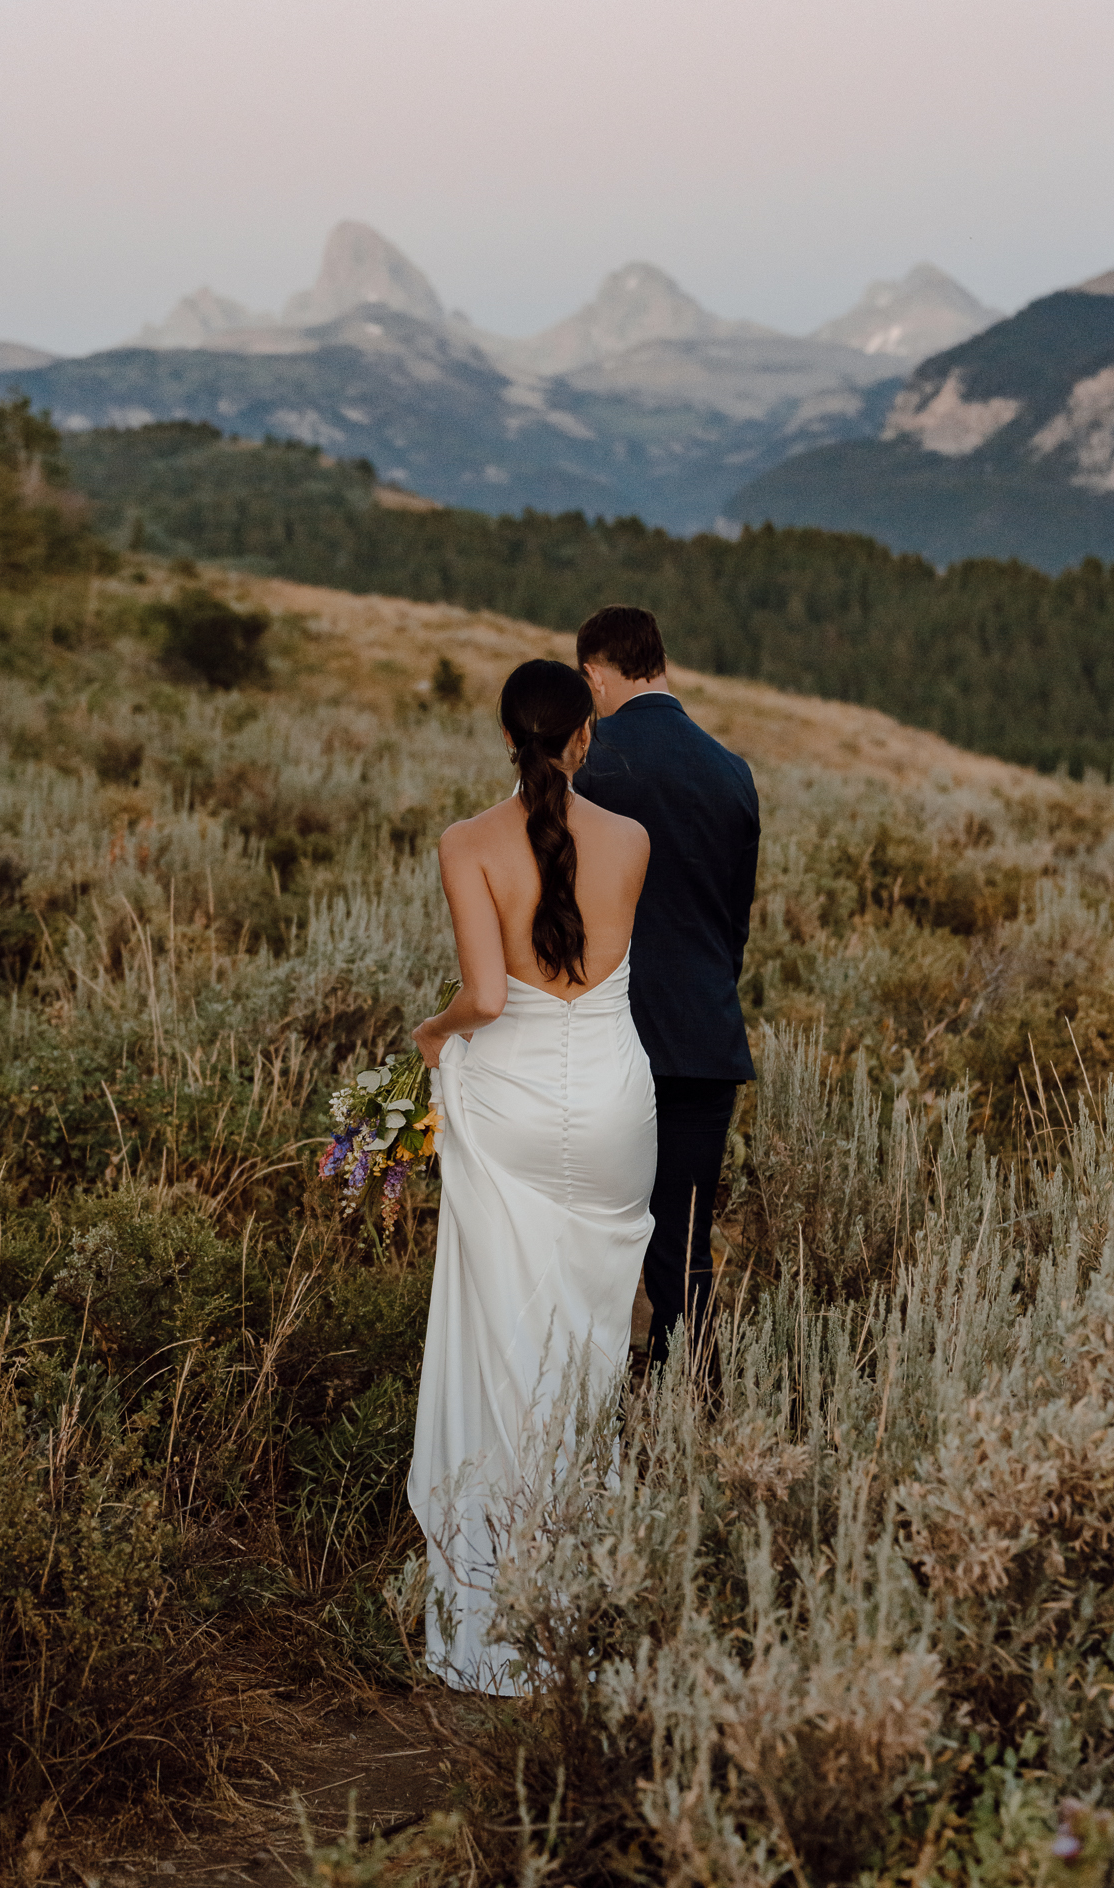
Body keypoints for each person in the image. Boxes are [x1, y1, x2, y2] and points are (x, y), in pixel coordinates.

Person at [407, 658, 657, 1694]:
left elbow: (484, 996)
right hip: (610, 1101)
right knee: (596, 1324)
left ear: (505, 735)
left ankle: (492, 1586)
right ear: (586, 734)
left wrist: (429, 1033)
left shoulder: (467, 844)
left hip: (511, 1106)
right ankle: (582, 1574)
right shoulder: (633, 840)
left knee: (500, 1321)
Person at [572, 604, 760, 1371]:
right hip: (704, 1037)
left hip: (607, 1035)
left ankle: (589, 1398)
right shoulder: (730, 770)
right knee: (682, 1238)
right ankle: (693, 1402)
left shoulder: (587, 761)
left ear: (595, 674)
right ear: (660, 663)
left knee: (589, 1227)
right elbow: (732, 922)